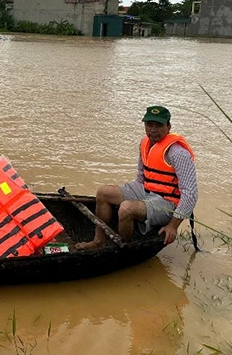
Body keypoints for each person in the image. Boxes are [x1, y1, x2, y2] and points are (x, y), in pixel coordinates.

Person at [76, 105, 197, 250]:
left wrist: (173, 226)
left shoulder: (178, 153)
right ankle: (98, 241)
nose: (153, 130)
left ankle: (124, 247)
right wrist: (133, 196)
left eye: (158, 125)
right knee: (103, 192)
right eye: (149, 125)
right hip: (146, 190)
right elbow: (141, 178)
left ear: (168, 127)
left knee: (126, 208)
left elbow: (190, 194)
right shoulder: (144, 143)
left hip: (168, 203)